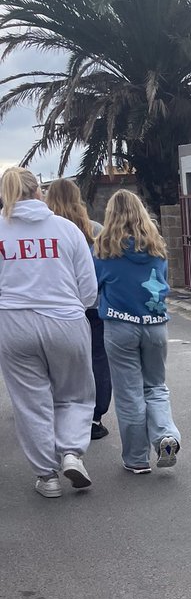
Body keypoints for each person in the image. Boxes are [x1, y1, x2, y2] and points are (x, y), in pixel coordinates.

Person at [0, 165, 97, 497]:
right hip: (65, 319)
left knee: (31, 401)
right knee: (75, 393)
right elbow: (88, 289)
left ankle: (47, 476)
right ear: (38, 192)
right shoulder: (66, 230)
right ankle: (71, 451)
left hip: (13, 322)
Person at [94, 189, 181, 475]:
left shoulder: (104, 250)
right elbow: (162, 284)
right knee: (156, 386)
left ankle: (136, 459)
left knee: (130, 393)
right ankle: (165, 435)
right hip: (155, 327)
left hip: (120, 327)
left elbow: (93, 288)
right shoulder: (157, 248)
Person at [44, 178, 111, 441]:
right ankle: (95, 417)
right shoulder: (95, 230)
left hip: (57, 308)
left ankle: (59, 416)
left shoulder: (47, 234)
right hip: (93, 306)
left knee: (55, 364)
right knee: (98, 359)